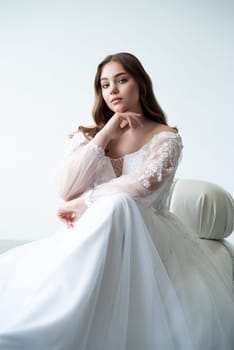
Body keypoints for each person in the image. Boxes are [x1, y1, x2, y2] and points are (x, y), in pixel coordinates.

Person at [0, 52, 233, 350]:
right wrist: (105, 134)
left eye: (122, 80)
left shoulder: (166, 138)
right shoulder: (91, 136)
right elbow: (65, 188)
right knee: (112, 206)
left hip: (148, 235)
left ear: (141, 84)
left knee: (119, 204)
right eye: (105, 84)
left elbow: (140, 188)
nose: (112, 90)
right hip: (94, 235)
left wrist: (88, 203)